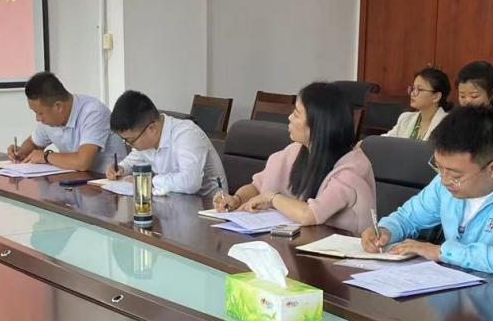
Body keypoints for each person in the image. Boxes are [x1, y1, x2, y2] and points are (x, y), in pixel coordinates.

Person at [360, 106, 493, 284]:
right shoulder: (447, 178)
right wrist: (386, 230)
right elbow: (408, 217)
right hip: (460, 289)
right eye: (439, 167)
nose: (444, 180)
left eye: (455, 175)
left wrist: (442, 252)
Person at [213, 81, 375, 233]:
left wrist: (272, 198)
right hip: (303, 244)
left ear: (317, 124)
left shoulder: (351, 171)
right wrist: (237, 199)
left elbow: (310, 215)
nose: (289, 117)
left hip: (341, 251)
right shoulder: (295, 152)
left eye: (296, 114)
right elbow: (257, 187)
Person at [105, 90, 227, 197]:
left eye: (130, 140)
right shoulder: (147, 138)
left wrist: (150, 180)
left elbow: (190, 182)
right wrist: (120, 168)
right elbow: (133, 161)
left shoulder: (187, 134)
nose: (128, 144)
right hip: (174, 202)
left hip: (209, 207)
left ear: (151, 128)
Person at [6, 71, 122, 173]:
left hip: (105, 182)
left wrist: (46, 156)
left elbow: (83, 162)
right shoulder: (50, 120)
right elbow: (34, 144)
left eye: (40, 113)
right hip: (74, 180)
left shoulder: (93, 112)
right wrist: (20, 153)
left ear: (58, 106)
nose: (38, 119)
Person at [392, 66, 452, 141]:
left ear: (436, 97)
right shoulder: (405, 118)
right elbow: (385, 141)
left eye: (419, 89)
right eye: (413, 89)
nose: (412, 93)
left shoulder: (448, 125)